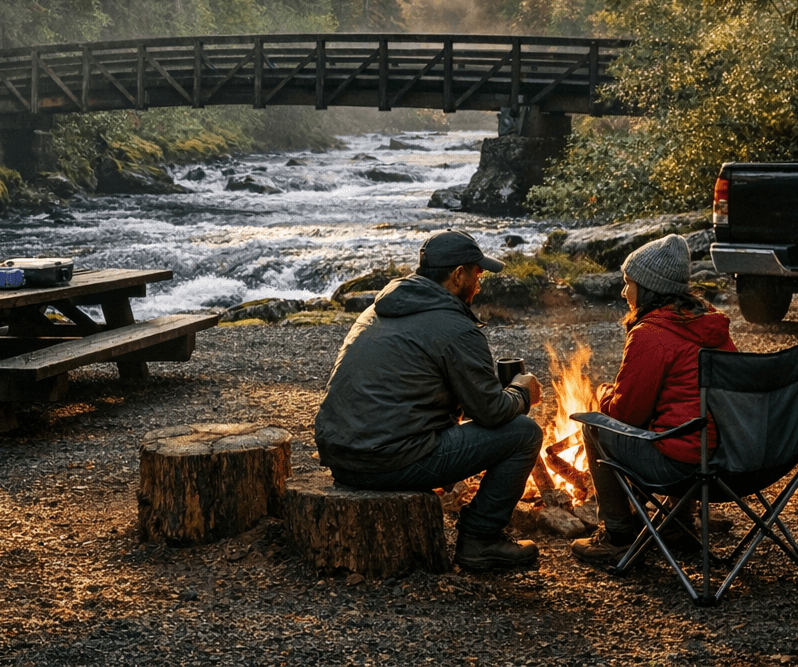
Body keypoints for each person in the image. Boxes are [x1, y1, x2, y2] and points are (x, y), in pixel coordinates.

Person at [314, 229, 545, 572]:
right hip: (386, 462)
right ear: (457, 276)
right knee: (523, 432)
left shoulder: (378, 310)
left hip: (341, 456)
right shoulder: (455, 326)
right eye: (477, 275)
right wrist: (522, 392)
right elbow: (492, 412)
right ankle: (480, 541)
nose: (479, 285)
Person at [570, 233, 738, 564]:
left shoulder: (651, 334)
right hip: (733, 460)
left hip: (681, 468)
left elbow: (626, 414)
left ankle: (617, 536)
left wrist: (602, 395)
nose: (623, 291)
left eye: (628, 282)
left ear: (648, 287)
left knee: (594, 427)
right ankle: (677, 527)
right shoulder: (708, 322)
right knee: (685, 422)